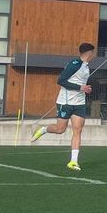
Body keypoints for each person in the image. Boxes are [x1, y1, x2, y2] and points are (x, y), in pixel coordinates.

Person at [30, 42, 95, 171]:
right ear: (89, 53)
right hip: (65, 102)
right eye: (93, 52)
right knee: (60, 129)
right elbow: (61, 81)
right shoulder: (74, 64)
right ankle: (43, 130)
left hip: (79, 103)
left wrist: (85, 89)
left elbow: (81, 84)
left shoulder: (86, 67)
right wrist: (80, 87)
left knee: (77, 131)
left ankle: (73, 161)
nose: (94, 55)